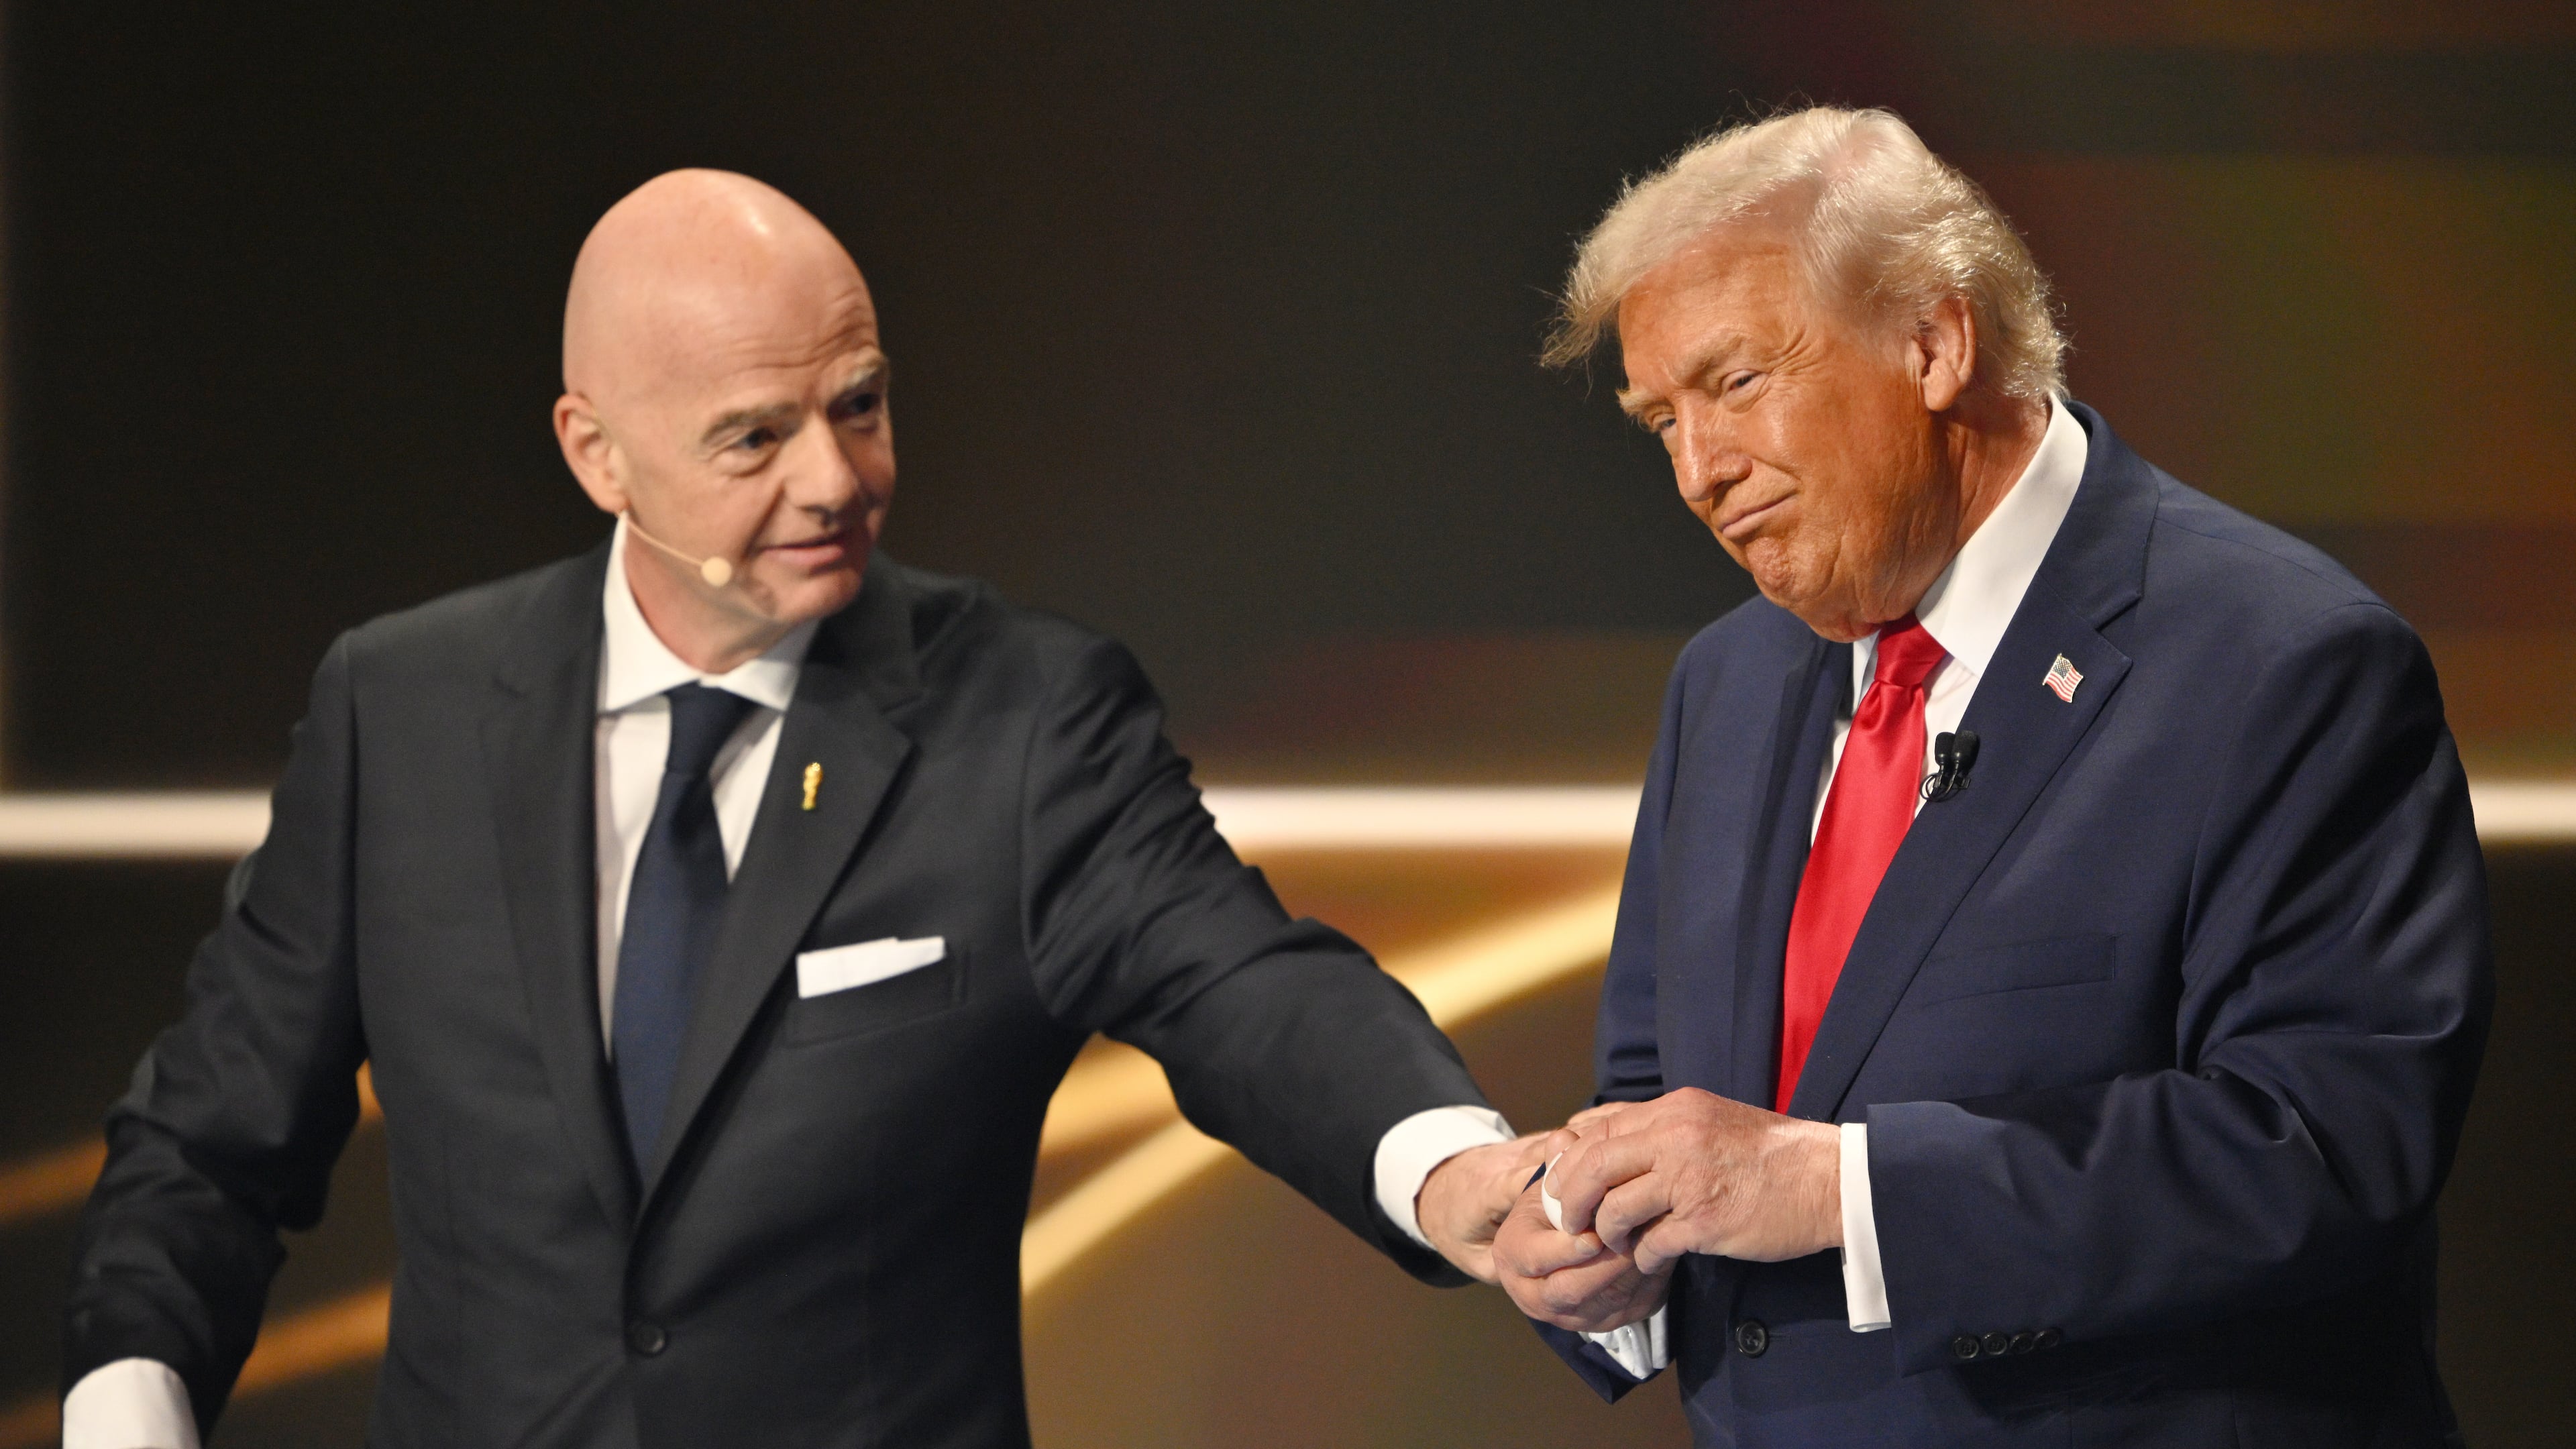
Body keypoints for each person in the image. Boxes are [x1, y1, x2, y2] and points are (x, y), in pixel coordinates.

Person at [60, 170, 1538, 1448]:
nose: (839, 478)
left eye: (861, 404)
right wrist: (130, 1394)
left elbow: (1242, 984)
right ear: (597, 454)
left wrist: (1448, 1165)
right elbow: (212, 1138)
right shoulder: (403, 712)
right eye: (754, 438)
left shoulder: (1028, 717)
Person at [1490, 107, 2490, 1446]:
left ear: (1933, 341)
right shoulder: (1725, 688)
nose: (1698, 472)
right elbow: (1661, 1102)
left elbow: (2324, 1149)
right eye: (1659, 418)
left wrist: (1842, 1192)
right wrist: (1598, 1253)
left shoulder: (2284, 663)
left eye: (1735, 385)